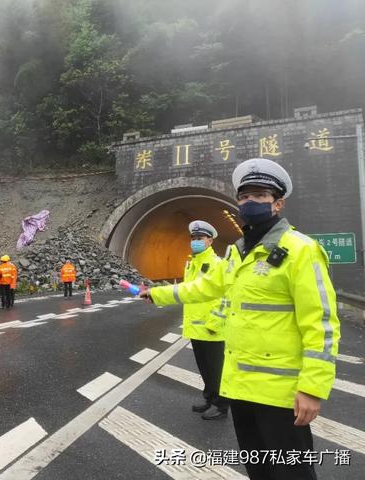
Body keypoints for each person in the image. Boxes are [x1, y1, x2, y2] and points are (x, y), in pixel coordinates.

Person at [143, 158, 340, 480]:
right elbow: (207, 287)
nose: (249, 202)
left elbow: (322, 324)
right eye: (244, 196)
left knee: (292, 474)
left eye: (259, 195)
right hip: (240, 387)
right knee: (258, 469)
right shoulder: (237, 252)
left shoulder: (301, 250)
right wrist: (157, 294)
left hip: (282, 394)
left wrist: (312, 387)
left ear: (278, 203)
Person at [182, 220, 229, 420]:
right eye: (193, 238)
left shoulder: (218, 264)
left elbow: (227, 296)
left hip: (212, 329)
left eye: (200, 238)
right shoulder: (192, 265)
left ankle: (221, 406)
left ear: (210, 241)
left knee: (217, 370)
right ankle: (209, 398)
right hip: (196, 328)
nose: (195, 242)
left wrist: (215, 323)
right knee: (204, 368)